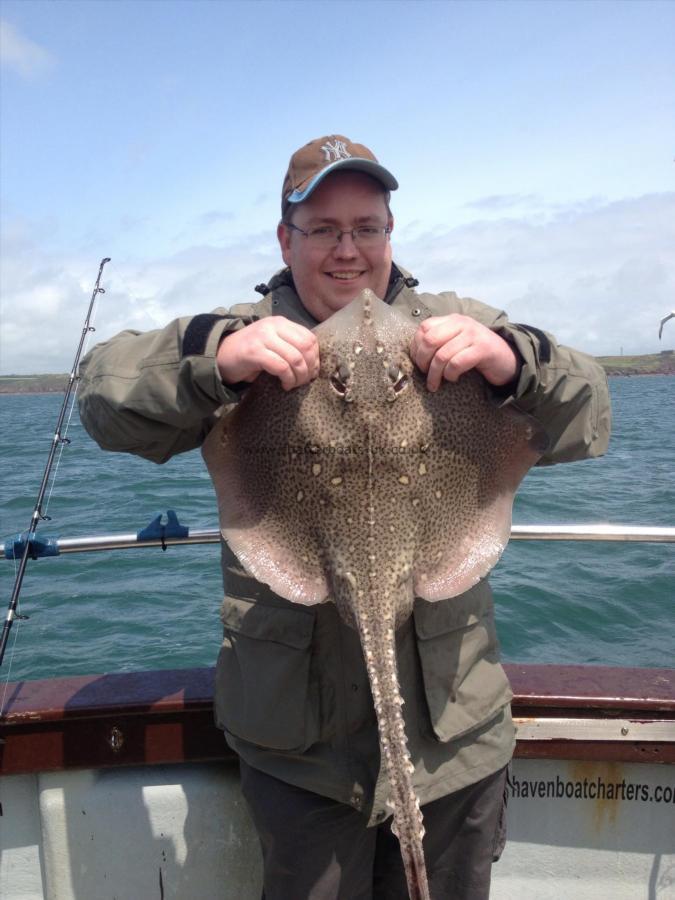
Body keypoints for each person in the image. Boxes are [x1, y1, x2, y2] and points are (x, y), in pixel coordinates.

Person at [78, 135, 611, 899]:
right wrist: (214, 359)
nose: (347, 251)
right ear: (284, 237)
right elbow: (103, 398)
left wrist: (512, 361)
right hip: (302, 756)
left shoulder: (452, 326)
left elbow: (589, 414)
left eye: (367, 227)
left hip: (452, 739)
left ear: (390, 234)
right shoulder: (242, 337)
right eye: (323, 229)